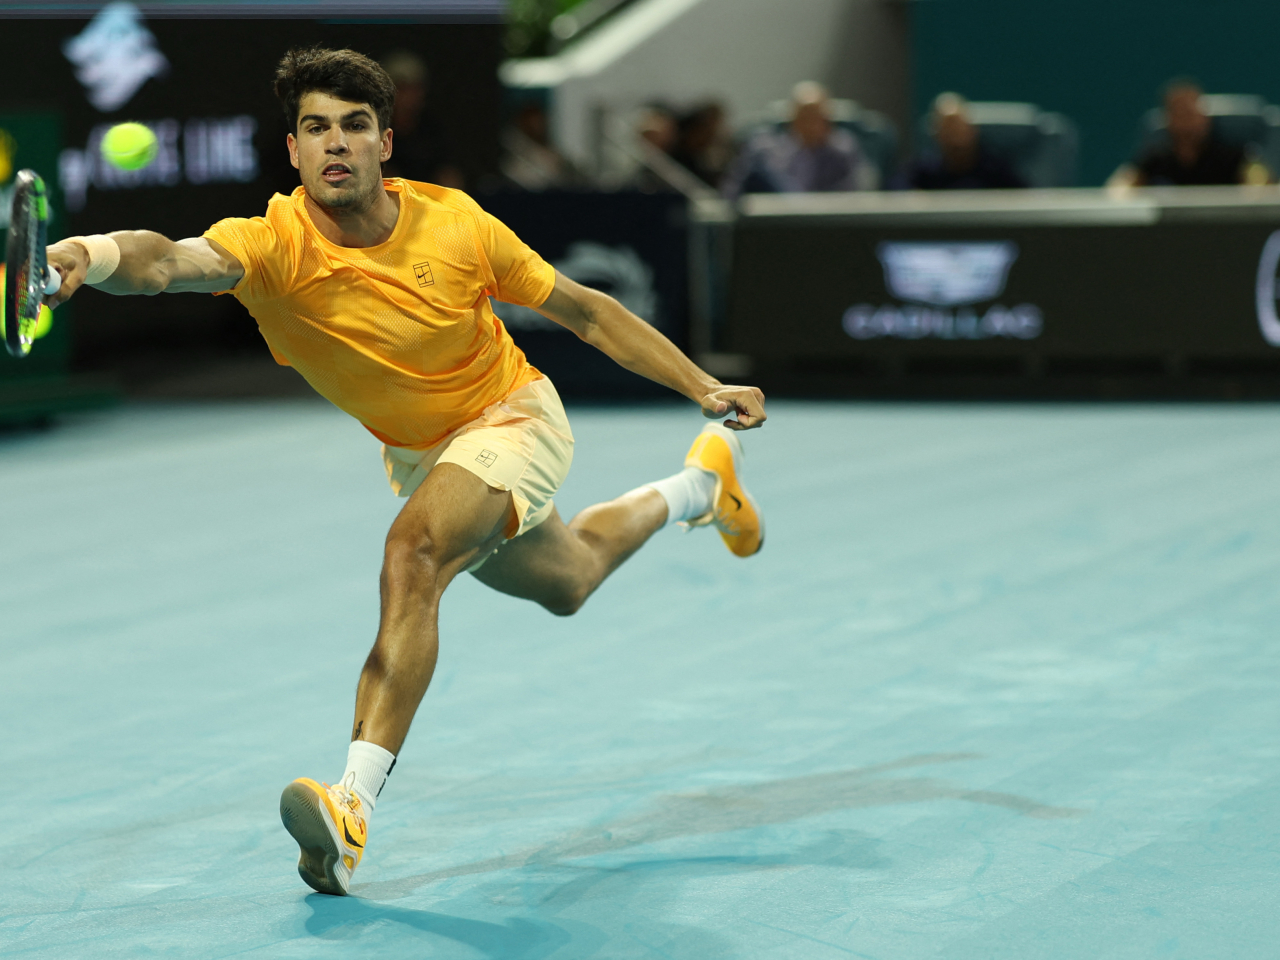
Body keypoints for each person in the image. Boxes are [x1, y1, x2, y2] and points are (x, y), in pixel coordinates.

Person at [42, 46, 766, 897]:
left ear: (385, 143)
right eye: (316, 128)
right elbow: (165, 260)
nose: (335, 143)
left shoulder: (455, 224)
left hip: (513, 417)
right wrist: (87, 252)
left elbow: (587, 312)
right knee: (569, 580)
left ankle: (351, 807)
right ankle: (702, 486)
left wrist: (702, 385)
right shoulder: (270, 245)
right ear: (294, 151)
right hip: (427, 454)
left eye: (354, 126)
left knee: (412, 553)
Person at [722, 81, 876, 198]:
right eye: (805, 117)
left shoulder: (844, 149)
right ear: (792, 119)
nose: (812, 125)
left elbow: (861, 189)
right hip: (775, 224)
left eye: (818, 117)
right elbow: (732, 192)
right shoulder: (763, 151)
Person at [1108, 80, 1264, 187]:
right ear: (1168, 120)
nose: (1188, 124)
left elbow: (1261, 185)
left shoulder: (1232, 156)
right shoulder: (1154, 159)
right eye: (1180, 115)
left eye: (1192, 114)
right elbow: (1121, 186)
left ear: (1205, 117)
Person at [899, 92, 1025, 190]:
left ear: (972, 129)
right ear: (936, 134)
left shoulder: (994, 168)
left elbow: (1023, 195)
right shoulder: (924, 169)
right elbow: (897, 191)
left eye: (958, 127)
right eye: (947, 129)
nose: (954, 136)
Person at [378, 49, 464, 189]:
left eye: (415, 88)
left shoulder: (432, 128)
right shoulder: (375, 129)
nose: (409, 96)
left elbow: (448, 174)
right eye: (402, 88)